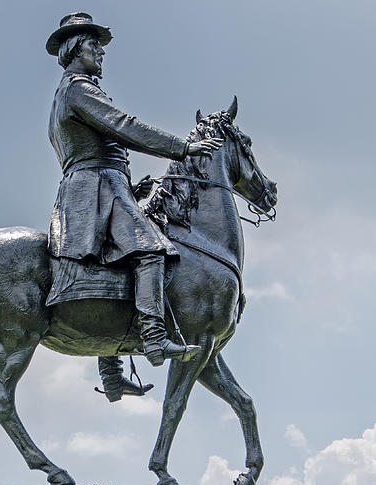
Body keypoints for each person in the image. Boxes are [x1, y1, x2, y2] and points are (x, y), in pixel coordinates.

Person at [45, 13, 222, 399]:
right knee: (151, 250)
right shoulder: (78, 89)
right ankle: (156, 340)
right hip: (98, 187)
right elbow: (124, 126)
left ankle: (111, 373)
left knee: (119, 262)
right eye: (94, 46)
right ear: (75, 48)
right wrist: (183, 147)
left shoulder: (73, 91)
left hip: (101, 185)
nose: (101, 53)